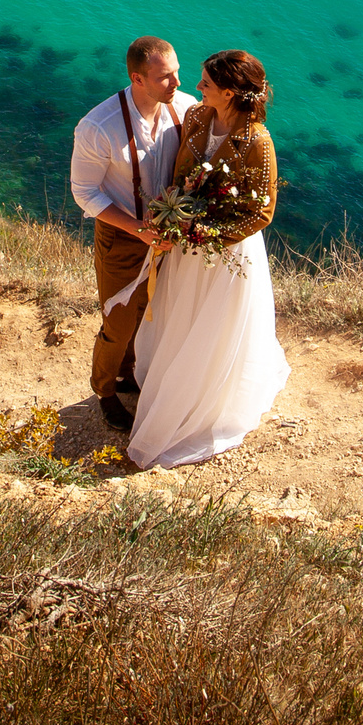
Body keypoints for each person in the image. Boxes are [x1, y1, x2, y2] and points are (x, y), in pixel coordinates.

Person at [127, 49, 290, 469]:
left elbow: (261, 212)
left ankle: (202, 401)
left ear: (231, 93)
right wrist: (177, 216)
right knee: (179, 316)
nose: (197, 89)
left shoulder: (258, 142)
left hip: (225, 252)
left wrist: (208, 235)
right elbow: (182, 176)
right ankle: (169, 384)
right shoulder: (198, 118)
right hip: (189, 244)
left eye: (206, 83)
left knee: (211, 327)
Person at [67, 36, 198, 432]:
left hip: (169, 235)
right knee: (119, 321)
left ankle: (130, 374)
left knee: (152, 313)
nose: (176, 83)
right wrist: (137, 229)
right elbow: (84, 191)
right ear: (137, 79)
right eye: (165, 78)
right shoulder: (98, 127)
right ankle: (105, 392)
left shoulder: (186, 107)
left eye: (176, 72)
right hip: (122, 237)